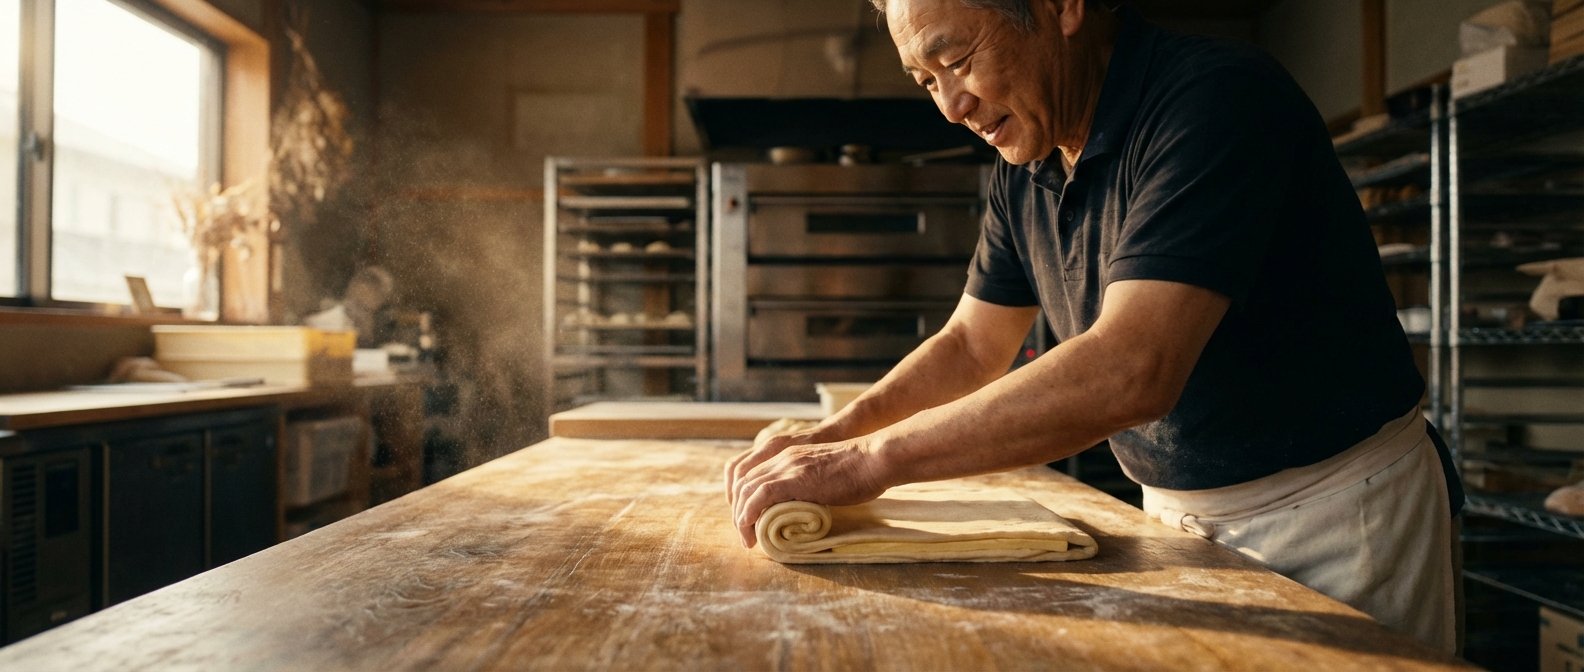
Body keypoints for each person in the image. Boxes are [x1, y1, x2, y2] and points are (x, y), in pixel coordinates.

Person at [724, 0, 1465, 654]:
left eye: (957, 59)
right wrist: (831, 439)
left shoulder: (1215, 98)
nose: (950, 106)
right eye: (925, 80)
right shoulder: (1026, 164)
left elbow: (1132, 368)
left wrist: (867, 464)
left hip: (1336, 518)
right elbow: (973, 344)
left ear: (1062, 6)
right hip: (1175, 517)